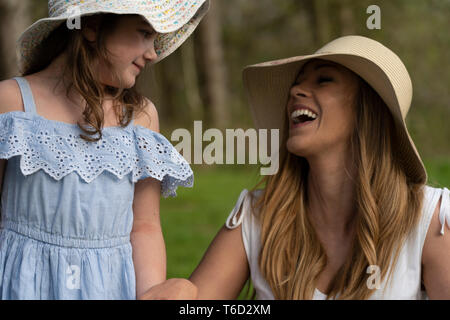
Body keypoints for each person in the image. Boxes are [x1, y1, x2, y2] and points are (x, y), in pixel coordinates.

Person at [141, 35, 450, 300]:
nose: (294, 91)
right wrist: (182, 289)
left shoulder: (429, 222)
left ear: (367, 109)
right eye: (297, 82)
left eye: (323, 79)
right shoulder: (258, 217)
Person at [0, 0, 209, 300]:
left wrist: (151, 293)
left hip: (108, 288)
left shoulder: (139, 118)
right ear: (92, 26)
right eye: (143, 32)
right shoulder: (12, 103)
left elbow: (145, 226)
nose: (152, 53)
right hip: (23, 286)